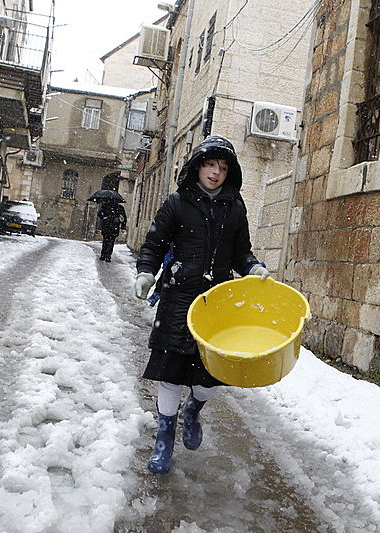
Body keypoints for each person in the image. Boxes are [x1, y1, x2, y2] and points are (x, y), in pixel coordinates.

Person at [133, 135, 270, 474]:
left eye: (223, 168)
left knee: (208, 376)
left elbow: (241, 250)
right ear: (198, 166)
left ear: (229, 173)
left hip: (217, 303)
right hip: (178, 298)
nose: (215, 172)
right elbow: (154, 243)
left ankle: (193, 410)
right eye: (210, 165)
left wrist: (252, 266)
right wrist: (146, 272)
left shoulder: (235, 207)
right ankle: (164, 438)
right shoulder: (177, 203)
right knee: (170, 373)